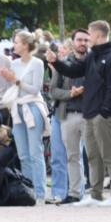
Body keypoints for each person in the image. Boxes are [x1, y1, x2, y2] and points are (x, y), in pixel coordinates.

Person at [46, 20, 111, 207]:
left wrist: (104, 112)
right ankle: (96, 195)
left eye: (89, 34)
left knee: (109, 153)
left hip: (103, 114)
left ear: (97, 35)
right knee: (92, 155)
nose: (87, 38)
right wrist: (56, 62)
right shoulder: (92, 56)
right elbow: (74, 71)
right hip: (89, 113)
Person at [0, 30, 48, 203]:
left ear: (26, 45)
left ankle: (41, 193)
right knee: (23, 154)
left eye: (17, 42)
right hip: (17, 108)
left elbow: (35, 89)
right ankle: (28, 191)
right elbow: (13, 88)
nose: (14, 45)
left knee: (35, 152)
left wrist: (16, 80)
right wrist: (8, 78)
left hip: (32, 107)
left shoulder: (37, 63)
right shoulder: (14, 63)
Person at [48, 28, 90, 204]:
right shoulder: (64, 63)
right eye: (79, 40)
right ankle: (66, 193)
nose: (82, 43)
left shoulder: (94, 62)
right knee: (65, 156)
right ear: (73, 42)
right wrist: (70, 94)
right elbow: (53, 91)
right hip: (65, 114)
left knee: (89, 156)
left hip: (88, 114)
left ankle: (86, 193)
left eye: (86, 40)